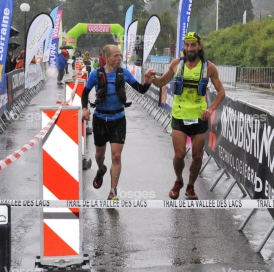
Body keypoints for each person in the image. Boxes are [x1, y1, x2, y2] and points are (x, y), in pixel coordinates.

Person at [148, 32, 225, 200]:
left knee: (197, 156)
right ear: (184, 47)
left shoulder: (208, 67)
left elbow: (221, 92)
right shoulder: (177, 64)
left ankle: (191, 186)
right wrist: (151, 79)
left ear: (199, 46)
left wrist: (211, 109)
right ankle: (178, 180)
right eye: (187, 45)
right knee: (179, 155)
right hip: (179, 114)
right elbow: (161, 82)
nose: (189, 49)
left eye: (193, 45)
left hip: (199, 116)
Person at [81, 44, 154, 200]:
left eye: (120, 55)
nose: (119, 58)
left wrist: (147, 82)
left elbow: (140, 89)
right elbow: (85, 92)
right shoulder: (96, 74)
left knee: (116, 156)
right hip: (100, 118)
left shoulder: (124, 73)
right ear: (106, 58)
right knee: (99, 155)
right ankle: (101, 170)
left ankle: (113, 191)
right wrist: (85, 109)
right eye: (116, 56)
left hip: (118, 119)